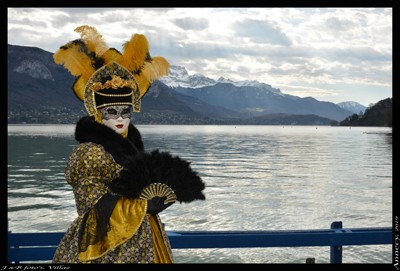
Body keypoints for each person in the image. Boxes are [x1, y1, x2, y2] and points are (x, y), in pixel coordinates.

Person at [52, 25, 206, 264]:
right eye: (112, 112)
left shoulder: (133, 148)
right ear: (98, 114)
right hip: (105, 244)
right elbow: (91, 206)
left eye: (125, 111)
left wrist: (151, 206)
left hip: (146, 236)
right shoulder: (89, 153)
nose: (120, 118)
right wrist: (143, 207)